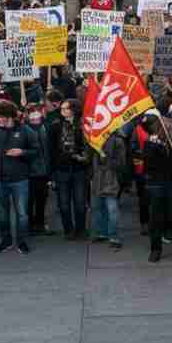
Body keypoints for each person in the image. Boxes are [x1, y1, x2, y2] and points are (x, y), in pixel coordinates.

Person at [139, 113, 172, 263]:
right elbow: (149, 163)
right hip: (156, 183)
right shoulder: (150, 142)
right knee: (156, 218)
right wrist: (158, 146)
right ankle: (155, 249)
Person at [0, 101, 36, 254]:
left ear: (9, 117)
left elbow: (36, 150)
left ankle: (21, 241)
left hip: (20, 179)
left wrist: (22, 152)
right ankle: (6, 240)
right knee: (2, 213)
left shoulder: (25, 130)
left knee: (22, 214)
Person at [50, 99, 89, 240]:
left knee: (80, 203)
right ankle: (68, 230)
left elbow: (87, 147)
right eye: (62, 108)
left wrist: (82, 158)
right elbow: (51, 149)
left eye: (65, 108)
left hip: (79, 169)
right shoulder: (56, 126)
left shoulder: (83, 125)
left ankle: (81, 230)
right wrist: (52, 172)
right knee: (64, 204)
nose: (62, 110)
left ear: (74, 110)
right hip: (61, 170)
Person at [90, 127, 126, 249]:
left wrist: (107, 160)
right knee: (98, 207)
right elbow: (91, 159)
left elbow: (121, 163)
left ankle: (113, 235)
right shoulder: (95, 139)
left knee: (111, 209)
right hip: (98, 178)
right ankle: (102, 233)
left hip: (111, 178)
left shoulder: (117, 140)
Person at [24, 103, 53, 236]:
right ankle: (30, 224)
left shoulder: (45, 127)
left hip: (43, 170)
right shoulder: (25, 129)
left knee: (41, 199)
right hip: (29, 171)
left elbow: (49, 150)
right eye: (33, 112)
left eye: (38, 112)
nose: (36, 115)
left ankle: (39, 223)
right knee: (30, 200)